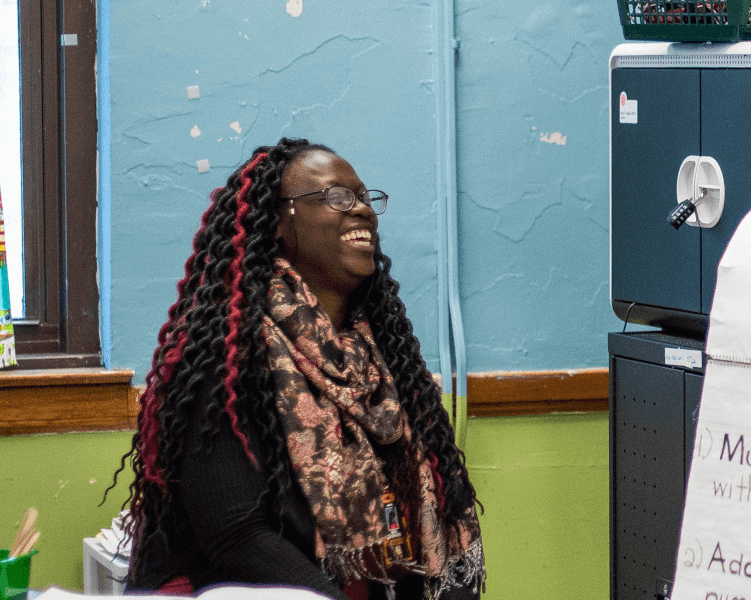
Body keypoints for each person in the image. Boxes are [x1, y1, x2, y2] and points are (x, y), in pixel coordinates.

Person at [115, 138, 484, 600]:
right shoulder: (226, 360)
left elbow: (427, 512)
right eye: (335, 197)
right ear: (276, 224)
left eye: (365, 198)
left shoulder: (381, 358)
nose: (363, 211)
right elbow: (237, 537)